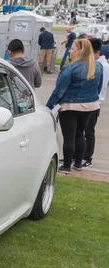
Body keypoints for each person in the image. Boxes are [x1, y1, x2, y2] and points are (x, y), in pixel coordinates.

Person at [46, 39, 103, 174]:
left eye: (72, 48)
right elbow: (99, 87)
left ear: (80, 51)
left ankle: (66, 165)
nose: (69, 51)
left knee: (69, 136)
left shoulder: (70, 68)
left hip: (70, 106)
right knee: (80, 134)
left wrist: (48, 106)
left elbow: (59, 90)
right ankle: (78, 163)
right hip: (90, 106)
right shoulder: (98, 66)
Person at [83, 38, 109, 168]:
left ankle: (87, 158)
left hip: (95, 102)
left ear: (97, 52)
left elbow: (101, 86)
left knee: (89, 132)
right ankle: (80, 155)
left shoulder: (103, 66)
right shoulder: (92, 63)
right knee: (82, 131)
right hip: (87, 101)